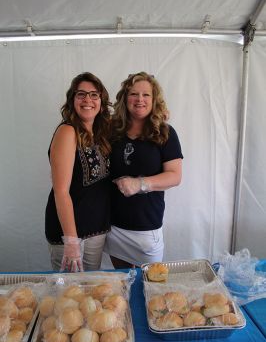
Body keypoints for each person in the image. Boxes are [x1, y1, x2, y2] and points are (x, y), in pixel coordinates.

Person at [104, 72, 183, 269]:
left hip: (146, 230)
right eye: (134, 94)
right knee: (124, 285)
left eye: (146, 95)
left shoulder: (165, 132)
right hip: (114, 227)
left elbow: (175, 176)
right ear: (125, 98)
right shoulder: (111, 131)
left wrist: (140, 184)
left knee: (149, 286)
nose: (140, 99)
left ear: (154, 99)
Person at [45, 72, 112, 272]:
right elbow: (61, 191)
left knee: (89, 292)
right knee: (70, 295)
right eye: (81, 94)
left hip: (95, 229)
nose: (88, 100)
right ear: (72, 99)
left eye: (94, 95)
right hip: (72, 233)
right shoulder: (67, 131)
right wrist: (71, 241)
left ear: (101, 100)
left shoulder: (101, 133)